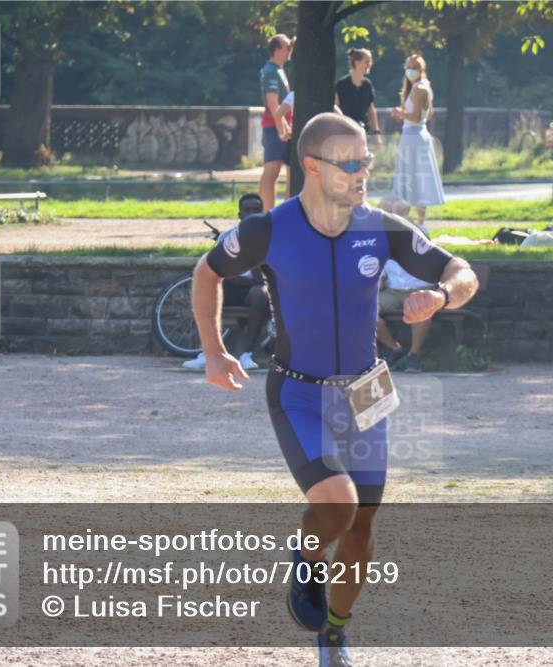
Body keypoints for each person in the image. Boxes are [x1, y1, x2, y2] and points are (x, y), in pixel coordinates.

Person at [191, 113, 478, 666]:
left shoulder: (381, 227)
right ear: (312, 167)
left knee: (362, 528)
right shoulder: (269, 230)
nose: (362, 172)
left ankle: (334, 633)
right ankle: (304, 554)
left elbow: (461, 270)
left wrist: (441, 296)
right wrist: (212, 349)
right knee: (338, 504)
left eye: (366, 161)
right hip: (298, 391)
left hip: (368, 391)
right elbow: (208, 273)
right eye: (349, 164)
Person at [184, 193, 270, 372]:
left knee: (259, 293)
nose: (251, 214)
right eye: (247, 210)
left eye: (256, 210)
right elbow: (214, 271)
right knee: (207, 290)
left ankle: (246, 355)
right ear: (240, 215)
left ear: (262, 213)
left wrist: (253, 244)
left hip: (252, 290)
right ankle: (207, 353)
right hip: (229, 285)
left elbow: (259, 278)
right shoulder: (227, 237)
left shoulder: (270, 239)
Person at [390, 54, 445, 227]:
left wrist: (400, 114)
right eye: (409, 66)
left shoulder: (417, 89)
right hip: (420, 134)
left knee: (410, 178)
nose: (410, 70)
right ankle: (419, 222)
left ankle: (412, 222)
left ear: (421, 70)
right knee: (419, 178)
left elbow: (414, 116)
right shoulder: (425, 87)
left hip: (412, 136)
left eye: (414, 67)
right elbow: (429, 114)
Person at [259, 34, 295, 211]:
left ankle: (285, 213)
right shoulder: (271, 71)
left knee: (291, 172)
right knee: (272, 171)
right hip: (274, 128)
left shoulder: (279, 70)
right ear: (277, 50)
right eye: (288, 47)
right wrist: (282, 129)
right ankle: (266, 214)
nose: (290, 51)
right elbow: (273, 104)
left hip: (283, 127)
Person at [334, 48, 382, 149]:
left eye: (370, 61)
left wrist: (377, 135)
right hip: (345, 135)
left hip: (363, 133)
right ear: (357, 63)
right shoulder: (341, 85)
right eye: (367, 61)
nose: (370, 64)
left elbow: (371, 110)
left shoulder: (367, 85)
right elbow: (335, 108)